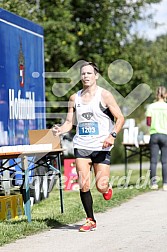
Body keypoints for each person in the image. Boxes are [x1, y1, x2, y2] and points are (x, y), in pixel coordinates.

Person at [53, 62, 124, 232]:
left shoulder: (105, 95)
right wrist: (60, 130)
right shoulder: (74, 98)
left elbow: (120, 118)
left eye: (89, 73)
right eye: (83, 73)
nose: (85, 76)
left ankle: (106, 189)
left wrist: (112, 136)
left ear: (96, 76)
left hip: (102, 146)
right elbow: (69, 123)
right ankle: (90, 219)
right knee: (84, 184)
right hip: (82, 145)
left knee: (101, 186)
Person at [146, 86, 167, 191]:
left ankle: (153, 183)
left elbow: (148, 123)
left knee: (153, 161)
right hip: (165, 134)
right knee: (165, 161)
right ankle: (165, 184)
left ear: (156, 94)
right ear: (165, 95)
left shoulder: (151, 107)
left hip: (154, 134)